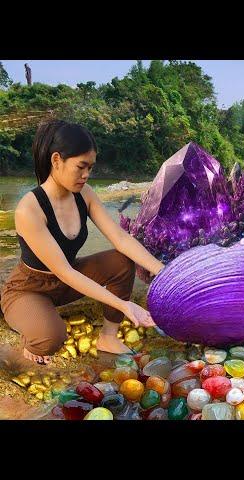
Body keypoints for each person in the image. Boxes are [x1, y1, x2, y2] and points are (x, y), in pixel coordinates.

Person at [0, 120, 165, 365]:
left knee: (121, 261)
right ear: (56, 160)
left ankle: (108, 337)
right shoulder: (29, 209)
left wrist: (165, 272)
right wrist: (124, 305)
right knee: (49, 339)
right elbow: (64, 271)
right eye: (81, 166)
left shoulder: (84, 194)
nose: (86, 175)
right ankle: (29, 330)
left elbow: (120, 238)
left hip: (66, 281)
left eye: (91, 167)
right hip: (29, 288)